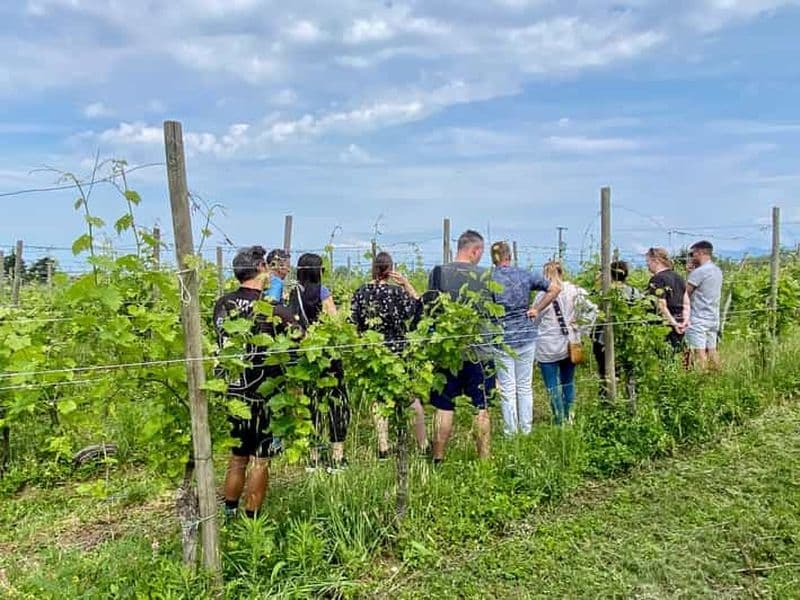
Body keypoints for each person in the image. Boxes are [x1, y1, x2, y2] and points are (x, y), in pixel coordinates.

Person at [213, 246, 296, 519]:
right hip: (265, 393)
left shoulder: (222, 305)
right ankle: (252, 521)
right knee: (261, 459)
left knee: (237, 458)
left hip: (234, 391)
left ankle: (229, 513)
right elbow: (299, 338)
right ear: (262, 267)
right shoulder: (271, 309)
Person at [351, 252, 429, 458]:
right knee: (411, 399)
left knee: (379, 398)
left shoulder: (361, 292)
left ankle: (383, 447)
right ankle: (423, 445)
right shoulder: (397, 293)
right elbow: (418, 307)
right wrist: (406, 284)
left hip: (373, 351)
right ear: (391, 269)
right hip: (398, 350)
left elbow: (354, 322)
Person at [427, 230, 495, 462]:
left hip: (447, 351)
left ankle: (438, 458)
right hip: (480, 352)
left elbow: (430, 310)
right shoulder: (486, 276)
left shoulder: (437, 273)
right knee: (481, 407)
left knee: (444, 406)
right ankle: (484, 460)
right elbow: (491, 313)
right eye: (480, 252)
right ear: (475, 250)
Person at [490, 241, 560, 435]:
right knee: (524, 386)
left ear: (493, 258)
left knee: (507, 388)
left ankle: (510, 431)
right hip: (526, 335)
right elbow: (555, 289)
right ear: (509, 256)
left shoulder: (489, 279)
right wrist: (536, 308)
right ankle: (526, 429)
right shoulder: (524, 274)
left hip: (502, 337)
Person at [289, 253, 348, 472]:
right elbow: (335, 324)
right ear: (317, 271)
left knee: (311, 404)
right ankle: (337, 457)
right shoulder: (323, 292)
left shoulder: (293, 293)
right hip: (328, 357)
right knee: (336, 402)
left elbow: (291, 326)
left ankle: (312, 457)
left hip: (305, 358)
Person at [534, 261, 597, 425]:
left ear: (545, 275)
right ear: (562, 273)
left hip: (548, 345)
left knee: (552, 385)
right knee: (568, 382)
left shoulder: (542, 295)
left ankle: (558, 419)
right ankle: (570, 416)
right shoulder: (575, 291)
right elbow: (593, 309)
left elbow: (535, 319)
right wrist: (582, 329)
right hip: (571, 342)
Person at [592, 260, 643, 399]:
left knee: (605, 373)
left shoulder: (607, 293)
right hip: (627, 339)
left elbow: (597, 315)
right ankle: (630, 399)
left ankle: (607, 400)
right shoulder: (634, 292)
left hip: (604, 340)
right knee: (629, 372)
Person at [686, 241, 723, 370]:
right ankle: (718, 377)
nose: (691, 257)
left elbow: (686, 292)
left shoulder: (699, 272)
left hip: (699, 317)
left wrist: (689, 273)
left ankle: (702, 381)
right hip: (713, 316)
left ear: (700, 252)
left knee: (699, 352)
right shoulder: (717, 270)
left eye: (693, 253)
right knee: (712, 349)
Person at [645, 247, 690, 352]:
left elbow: (661, 305)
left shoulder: (657, 279)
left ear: (655, 260)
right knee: (678, 353)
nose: (647, 265)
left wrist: (673, 323)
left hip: (665, 325)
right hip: (680, 321)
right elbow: (686, 303)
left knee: (664, 354)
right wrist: (685, 321)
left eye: (648, 261)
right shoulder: (679, 277)